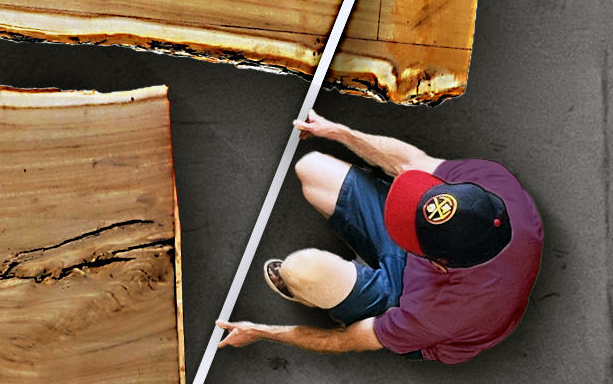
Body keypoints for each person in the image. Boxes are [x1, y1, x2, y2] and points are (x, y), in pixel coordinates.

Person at [216, 111, 542, 362]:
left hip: (404, 299)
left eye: (406, 232)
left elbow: (347, 341)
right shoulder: (490, 182)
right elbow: (408, 162)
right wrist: (338, 131)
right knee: (312, 169)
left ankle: (312, 291)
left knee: (302, 270)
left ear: (439, 265)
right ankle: (356, 270)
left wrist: (262, 332)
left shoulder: (438, 316)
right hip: (424, 264)